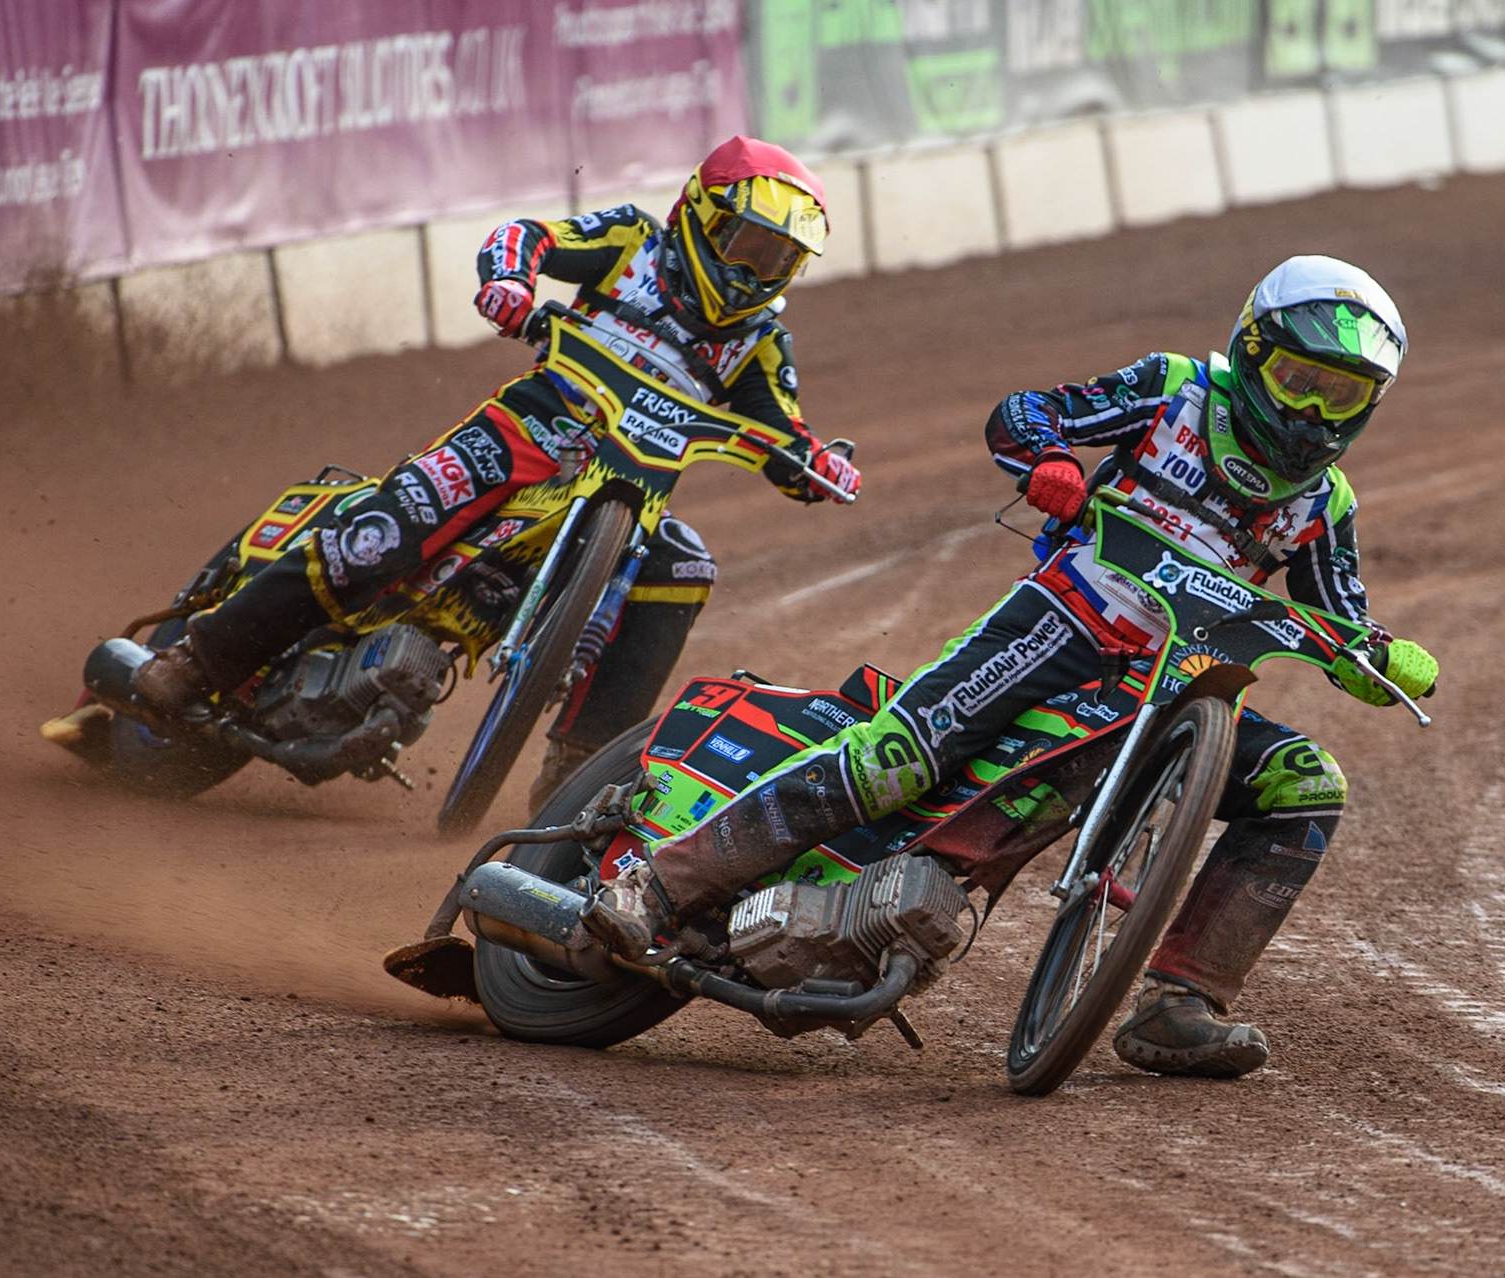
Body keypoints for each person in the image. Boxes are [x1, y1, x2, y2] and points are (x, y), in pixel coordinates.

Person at [586, 254, 1440, 1079]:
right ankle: (660, 886)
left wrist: (1372, 657)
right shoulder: (1176, 389)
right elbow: (1028, 412)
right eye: (1300, 381)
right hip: (1063, 624)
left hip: (1174, 688)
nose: (1313, 414)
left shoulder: (1324, 505)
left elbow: (1339, 617)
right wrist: (1052, 461)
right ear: (1253, 355)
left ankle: (1180, 1003)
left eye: (1344, 395)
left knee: (1307, 783)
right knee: (898, 758)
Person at [130, 137, 862, 807]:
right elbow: (530, 236)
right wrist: (510, 282)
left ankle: (574, 773)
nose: (752, 273)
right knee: (387, 531)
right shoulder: (634, 241)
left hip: (632, 491)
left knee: (685, 563)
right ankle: (201, 661)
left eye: (777, 261)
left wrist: (816, 463)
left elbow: (783, 431)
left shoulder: (760, 343)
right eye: (747, 247)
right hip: (525, 430)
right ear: (701, 217)